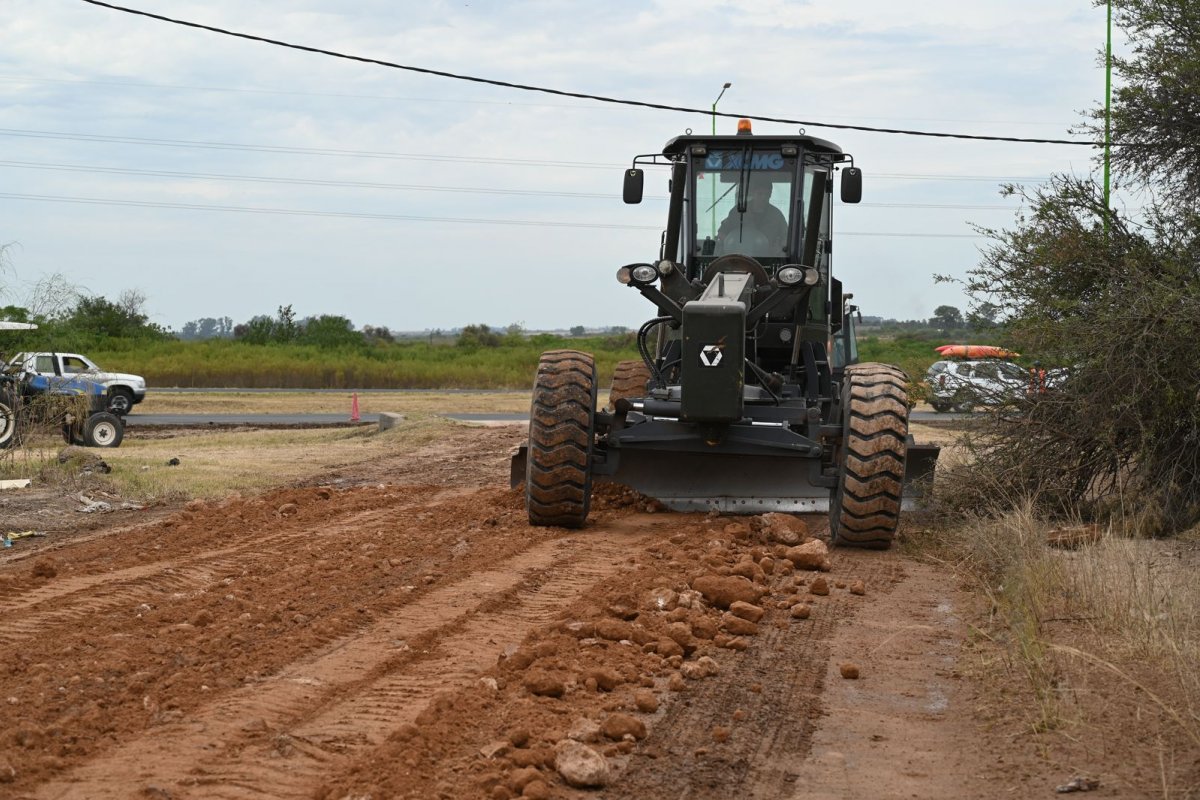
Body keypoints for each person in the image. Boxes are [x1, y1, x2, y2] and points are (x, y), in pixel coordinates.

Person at [716, 180, 788, 256]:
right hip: (740, 258)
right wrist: (733, 246)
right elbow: (721, 233)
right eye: (760, 194)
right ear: (753, 193)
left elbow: (786, 237)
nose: (763, 197)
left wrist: (780, 248)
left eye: (767, 194)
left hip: (767, 258)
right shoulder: (738, 212)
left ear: (770, 194)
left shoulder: (776, 215)